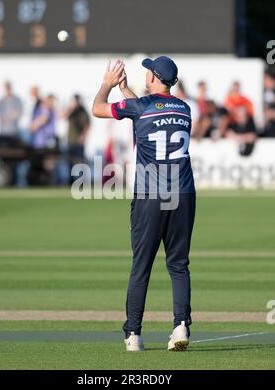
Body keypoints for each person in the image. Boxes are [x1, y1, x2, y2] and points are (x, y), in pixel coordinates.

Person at [93, 57, 196, 352]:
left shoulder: (141, 107)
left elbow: (98, 109)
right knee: (178, 264)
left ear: (152, 77)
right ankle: (181, 326)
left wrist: (108, 85)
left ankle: (134, 334)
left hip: (151, 195)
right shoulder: (184, 109)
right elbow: (151, 112)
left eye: (148, 71)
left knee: (141, 266)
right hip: (183, 194)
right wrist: (127, 91)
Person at [64, 94, 90, 163]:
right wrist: (71, 108)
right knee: (70, 162)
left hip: (79, 142)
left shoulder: (83, 112)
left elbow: (87, 125)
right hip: (70, 141)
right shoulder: (70, 110)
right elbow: (64, 117)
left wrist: (83, 137)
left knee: (79, 162)